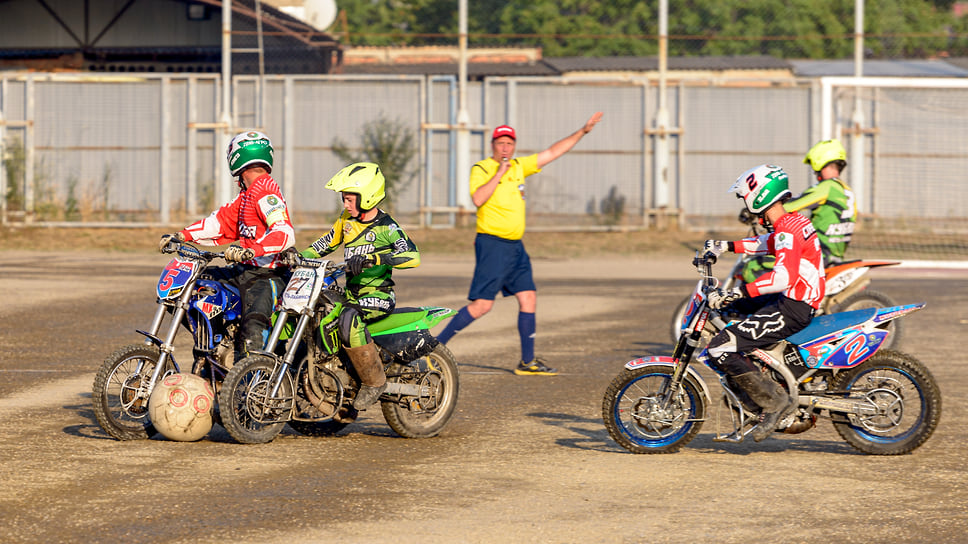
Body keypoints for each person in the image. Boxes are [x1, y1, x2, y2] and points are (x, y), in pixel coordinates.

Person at [435, 112, 603, 376]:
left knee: (528, 298)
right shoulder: (482, 168)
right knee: (482, 306)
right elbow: (479, 199)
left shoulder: (520, 166)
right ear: (492, 145)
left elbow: (553, 152)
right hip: (492, 244)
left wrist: (583, 131)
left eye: (509, 143)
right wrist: (499, 172)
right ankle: (435, 348)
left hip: (515, 247)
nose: (505, 147)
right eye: (500, 143)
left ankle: (527, 361)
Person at [700, 164, 826, 442]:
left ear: (758, 196)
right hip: (796, 299)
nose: (744, 203)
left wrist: (739, 291)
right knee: (731, 312)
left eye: (745, 197)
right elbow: (768, 243)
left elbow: (782, 277)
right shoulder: (792, 222)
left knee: (721, 346)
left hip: (792, 306)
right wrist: (725, 246)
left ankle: (774, 403)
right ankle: (761, 374)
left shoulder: (787, 229)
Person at [282, 162, 420, 410]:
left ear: (367, 197)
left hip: (378, 295)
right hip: (352, 295)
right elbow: (324, 245)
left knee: (348, 318)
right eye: (343, 198)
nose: (345, 204)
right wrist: (297, 257)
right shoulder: (346, 220)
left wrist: (375, 258)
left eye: (349, 198)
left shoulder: (386, 227)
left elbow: (413, 257)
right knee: (320, 310)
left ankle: (374, 382)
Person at [158, 130, 296, 362]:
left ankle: (253, 381)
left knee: (251, 331)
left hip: (268, 275)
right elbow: (218, 223)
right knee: (189, 286)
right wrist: (181, 235)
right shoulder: (246, 196)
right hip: (244, 271)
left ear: (236, 158)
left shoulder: (265, 191)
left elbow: (284, 232)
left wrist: (253, 250)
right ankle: (216, 345)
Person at [741, 139, 856, 282]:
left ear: (820, 160)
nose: (815, 172)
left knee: (753, 266)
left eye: (815, 168)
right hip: (834, 252)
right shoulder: (846, 189)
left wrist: (757, 209)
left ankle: (776, 302)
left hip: (817, 250)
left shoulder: (828, 186)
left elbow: (792, 205)